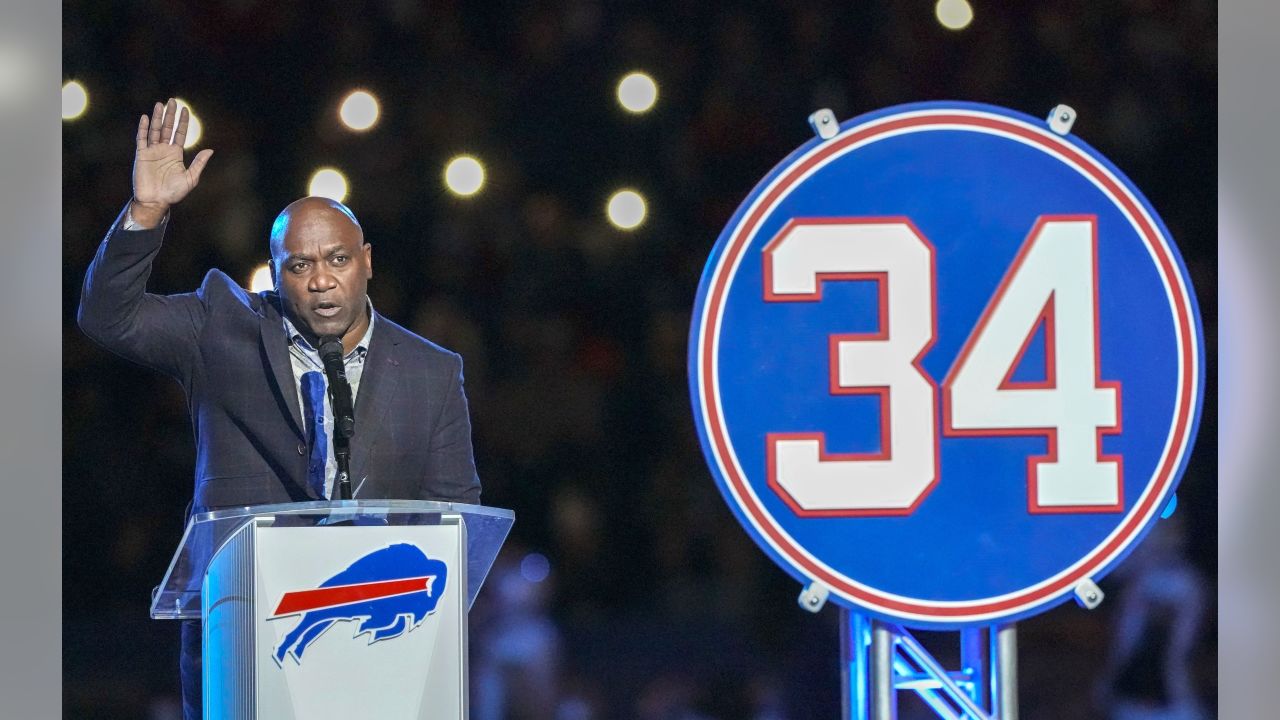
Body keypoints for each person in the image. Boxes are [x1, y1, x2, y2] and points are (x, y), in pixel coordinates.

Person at [78, 98, 482, 719]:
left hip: (374, 649)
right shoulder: (220, 328)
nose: (322, 280)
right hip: (244, 629)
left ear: (366, 263)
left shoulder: (430, 371)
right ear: (276, 274)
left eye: (338, 260)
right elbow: (108, 318)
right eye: (301, 265)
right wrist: (148, 211)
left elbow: (457, 520)